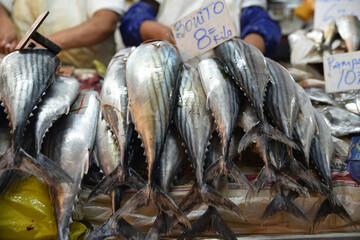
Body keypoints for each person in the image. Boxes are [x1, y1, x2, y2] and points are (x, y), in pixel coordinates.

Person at [119, 0, 281, 58]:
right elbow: (133, 18)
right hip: (171, 66)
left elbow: (260, 21)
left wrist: (248, 51)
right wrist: (156, 31)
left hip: (227, 70)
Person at [0, 0, 125, 68]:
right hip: (24, 67)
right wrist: (4, 21)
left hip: (85, 73)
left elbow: (104, 22)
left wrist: (43, 44)